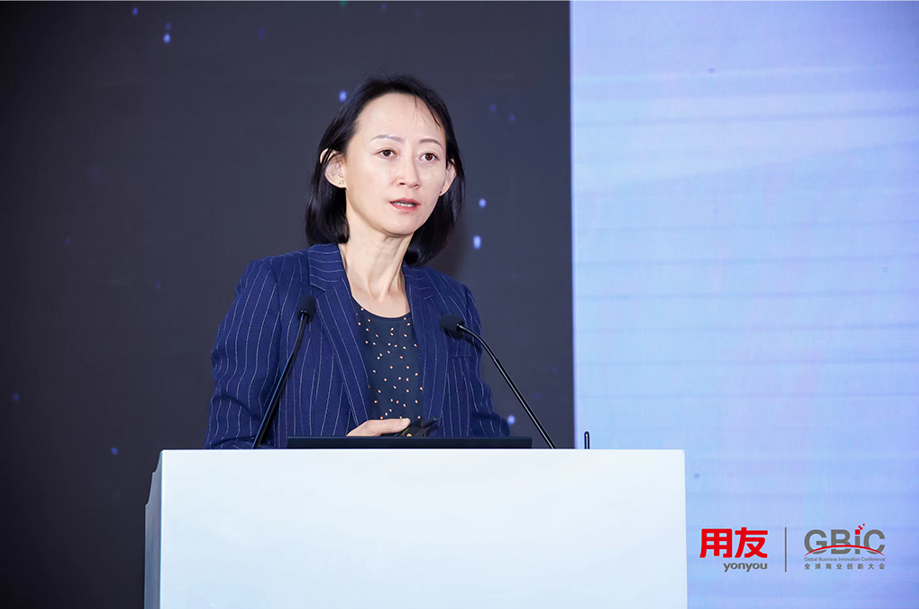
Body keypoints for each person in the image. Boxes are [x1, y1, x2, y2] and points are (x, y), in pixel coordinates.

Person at [205, 75, 509, 448]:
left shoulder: (453, 306)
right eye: (387, 153)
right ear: (337, 167)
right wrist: (333, 465)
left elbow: (489, 447)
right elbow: (227, 447)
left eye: (428, 157)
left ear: (447, 178)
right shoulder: (278, 285)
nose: (410, 177)